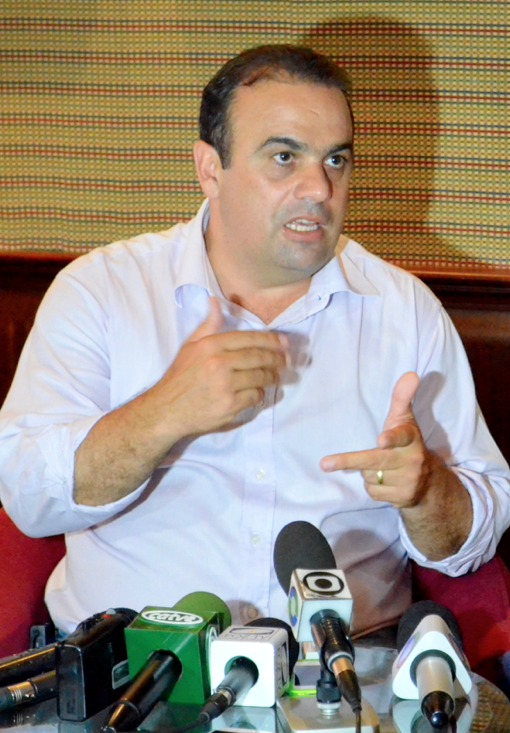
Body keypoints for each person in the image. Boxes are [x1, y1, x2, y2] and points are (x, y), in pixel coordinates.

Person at [0, 45, 509, 637]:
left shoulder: (406, 312)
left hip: (348, 671)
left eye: (336, 159)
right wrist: (161, 415)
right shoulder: (102, 291)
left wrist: (425, 491)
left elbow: (474, 537)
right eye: (284, 157)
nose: (319, 188)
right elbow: (28, 498)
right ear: (210, 168)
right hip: (128, 669)